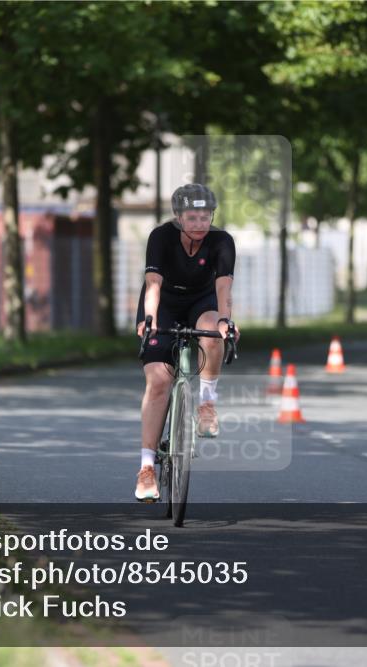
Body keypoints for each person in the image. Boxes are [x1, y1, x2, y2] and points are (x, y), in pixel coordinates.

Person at [134, 184, 239, 502]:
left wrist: (225, 320)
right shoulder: (161, 237)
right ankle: (147, 469)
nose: (199, 224)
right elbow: (153, 284)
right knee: (159, 381)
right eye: (192, 217)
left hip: (201, 302)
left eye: (205, 217)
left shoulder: (222, 242)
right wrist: (149, 320)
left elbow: (223, 289)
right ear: (178, 217)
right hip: (163, 303)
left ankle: (207, 404)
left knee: (213, 331)